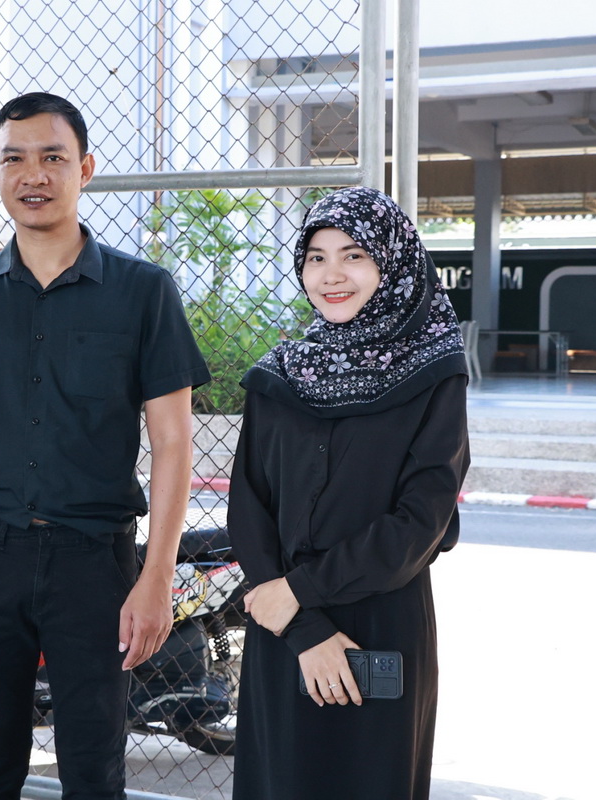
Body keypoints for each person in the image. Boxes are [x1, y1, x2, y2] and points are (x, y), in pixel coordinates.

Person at [0, 92, 210, 800]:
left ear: (86, 169)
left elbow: (173, 443)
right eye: (15, 159)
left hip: (94, 561)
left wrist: (157, 578)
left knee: (93, 773)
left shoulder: (143, 292)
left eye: (53, 157)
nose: (33, 175)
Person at [228, 186, 470, 799]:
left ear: (392, 264)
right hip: (283, 628)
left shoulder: (433, 372)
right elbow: (248, 506)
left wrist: (297, 594)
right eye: (316, 257)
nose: (331, 274)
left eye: (354, 255)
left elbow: (421, 522)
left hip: (378, 621)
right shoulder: (279, 376)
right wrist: (301, 625)